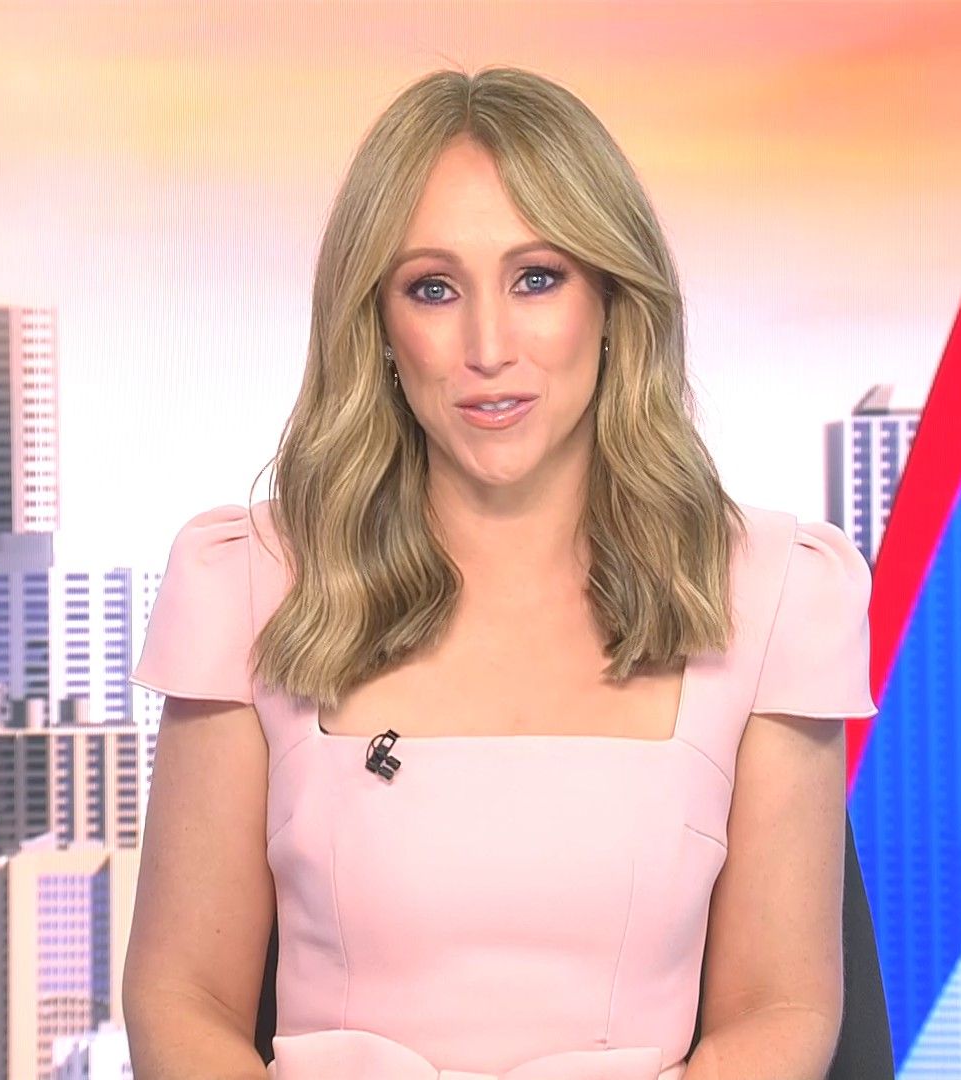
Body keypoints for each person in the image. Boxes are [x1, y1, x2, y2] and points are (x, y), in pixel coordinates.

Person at [121, 65, 877, 1080]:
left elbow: (779, 1011)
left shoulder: (776, 592)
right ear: (379, 327)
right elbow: (183, 1001)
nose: (487, 346)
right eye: (432, 288)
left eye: (537, 278)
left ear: (612, 299)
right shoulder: (247, 585)